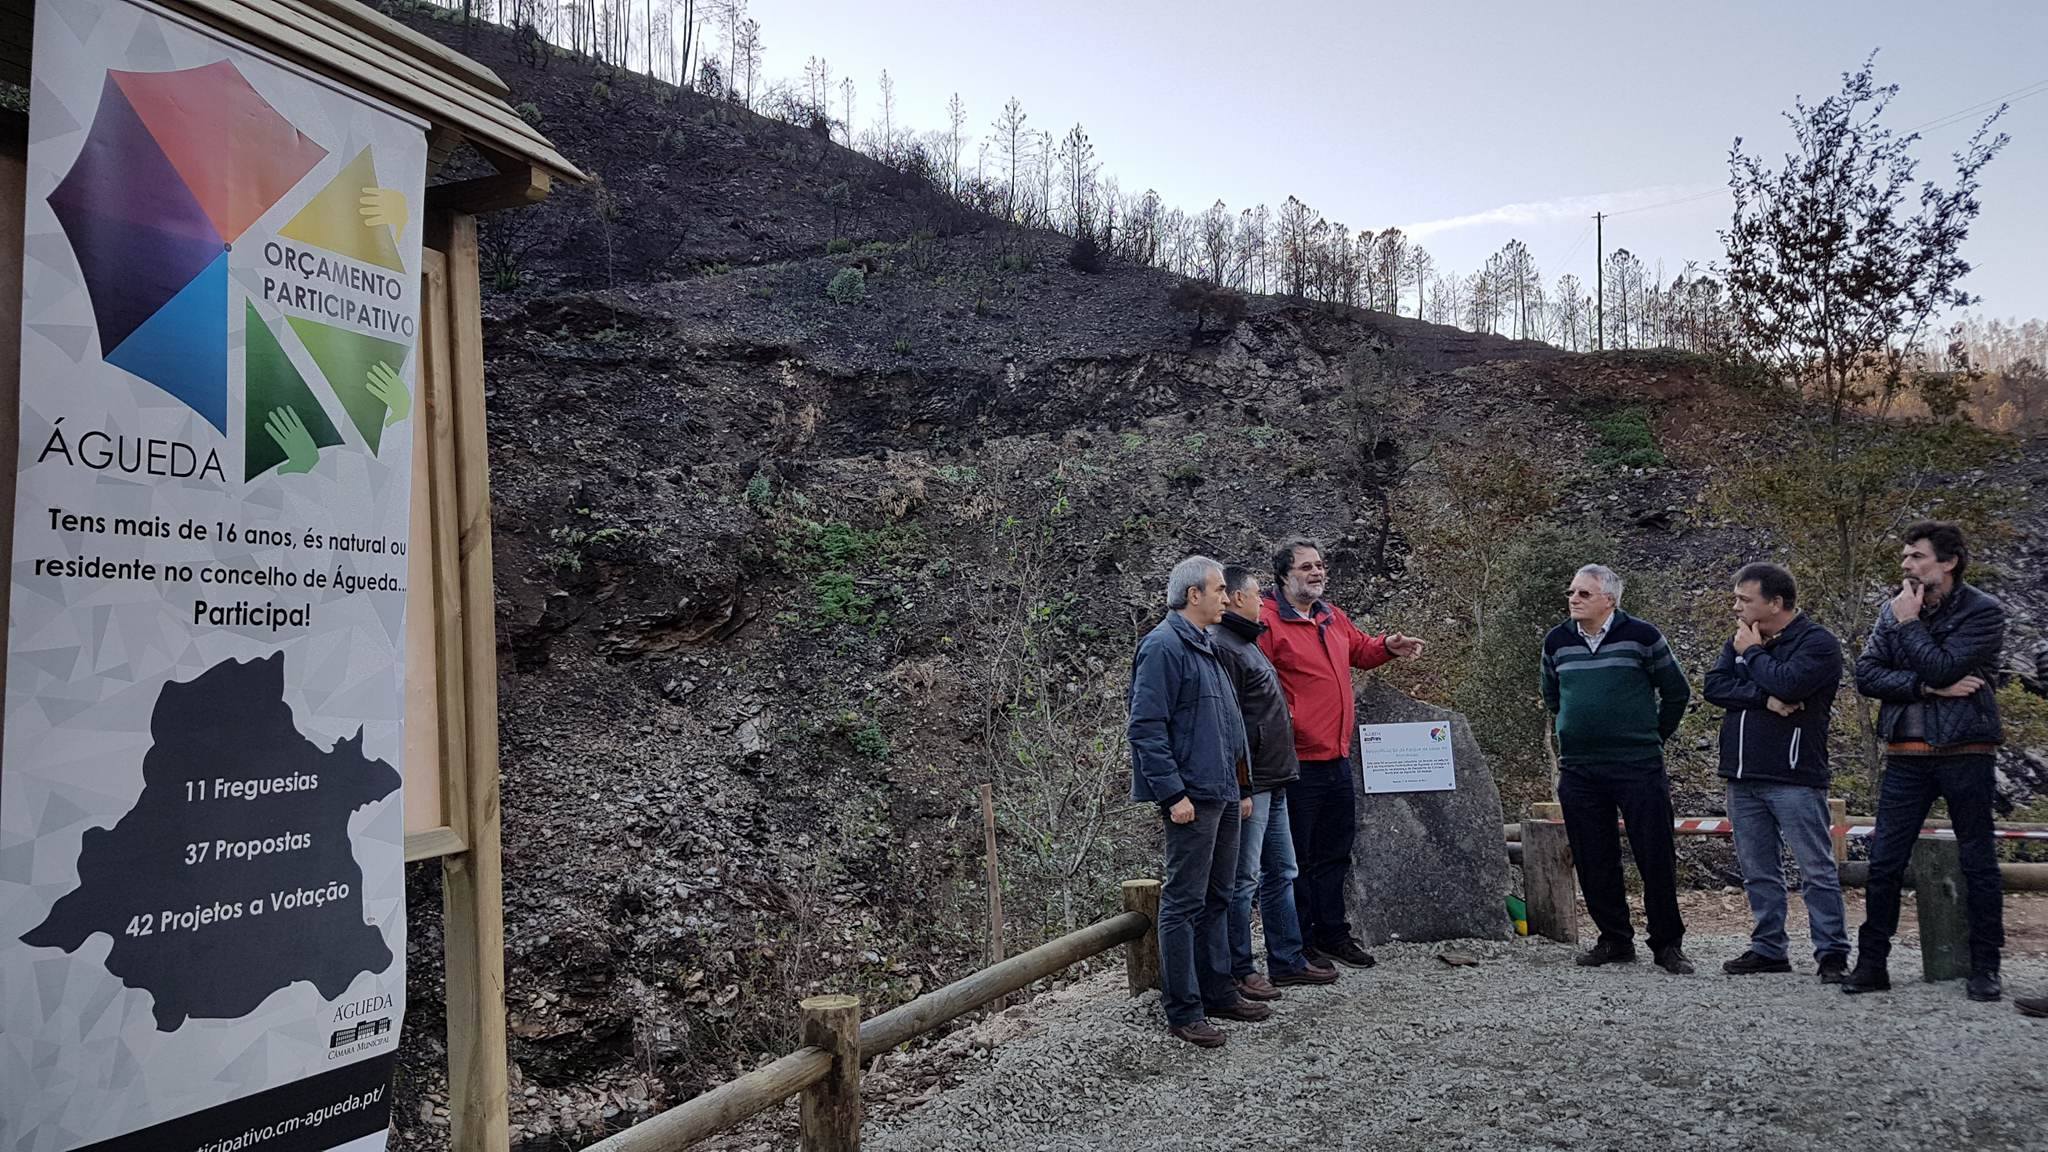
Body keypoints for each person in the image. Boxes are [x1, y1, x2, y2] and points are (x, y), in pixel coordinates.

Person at [1847, 521, 2007, 1002]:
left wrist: (1910, 628)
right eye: (1905, 556)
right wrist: (1925, 687)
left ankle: (1986, 968)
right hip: (1905, 754)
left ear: (1949, 562)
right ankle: (1872, 965)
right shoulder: (1894, 608)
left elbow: (1943, 664)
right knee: (1884, 863)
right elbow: (1866, 675)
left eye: (1916, 555)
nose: (1906, 564)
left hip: (1967, 751)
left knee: (1978, 860)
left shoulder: (1983, 611)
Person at [1257, 537, 1425, 970]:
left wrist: (1387, 646)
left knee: (1334, 854)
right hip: (1295, 763)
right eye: (1306, 567)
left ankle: (1333, 934)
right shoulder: (1266, 621)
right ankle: (1300, 943)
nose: (1317, 572)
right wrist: (1290, 721)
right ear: (1283, 575)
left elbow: (1359, 650)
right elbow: (1255, 686)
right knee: (1297, 859)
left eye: (1320, 565)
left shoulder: (1331, 616)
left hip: (1336, 758)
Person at [1128, 555, 1274, 1048]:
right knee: (1184, 902)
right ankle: (1184, 1010)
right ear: (1193, 595)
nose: (1226, 598)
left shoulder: (1206, 643)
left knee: (1218, 897)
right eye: (1218, 590)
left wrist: (1243, 788)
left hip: (1224, 793)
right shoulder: (1163, 646)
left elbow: (1230, 725)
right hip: (1193, 797)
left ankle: (1218, 992)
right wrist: (1173, 794)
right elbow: (1146, 728)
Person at [1541, 564, 1695, 975]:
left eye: (1584, 593)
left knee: (1654, 854)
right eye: (1571, 592)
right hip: (1580, 768)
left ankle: (1667, 944)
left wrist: (1652, 736)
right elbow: (1552, 695)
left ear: (1609, 600)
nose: (1573, 599)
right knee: (1593, 857)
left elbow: (1677, 691)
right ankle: (1614, 940)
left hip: (1638, 764)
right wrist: (1577, 729)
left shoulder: (1642, 636)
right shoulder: (1557, 641)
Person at [1701, 562, 1850, 981]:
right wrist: (1763, 699)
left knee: (1815, 869)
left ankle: (1832, 953)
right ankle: (1769, 948)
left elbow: (1789, 683)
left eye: (1744, 599)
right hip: (1742, 776)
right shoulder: (1740, 637)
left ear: (1776, 602)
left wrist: (1752, 654)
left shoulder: (1817, 643)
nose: (1736, 607)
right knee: (1758, 871)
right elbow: (1714, 686)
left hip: (1794, 777)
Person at [1210, 564, 1339, 998]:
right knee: (1245, 878)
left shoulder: (1246, 641)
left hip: (1276, 776)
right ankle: (1240, 968)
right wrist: (1242, 785)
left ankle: (1287, 958)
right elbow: (1228, 726)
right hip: (1256, 782)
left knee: (1282, 870)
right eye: (1255, 595)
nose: (1261, 602)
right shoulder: (1226, 646)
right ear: (1237, 598)